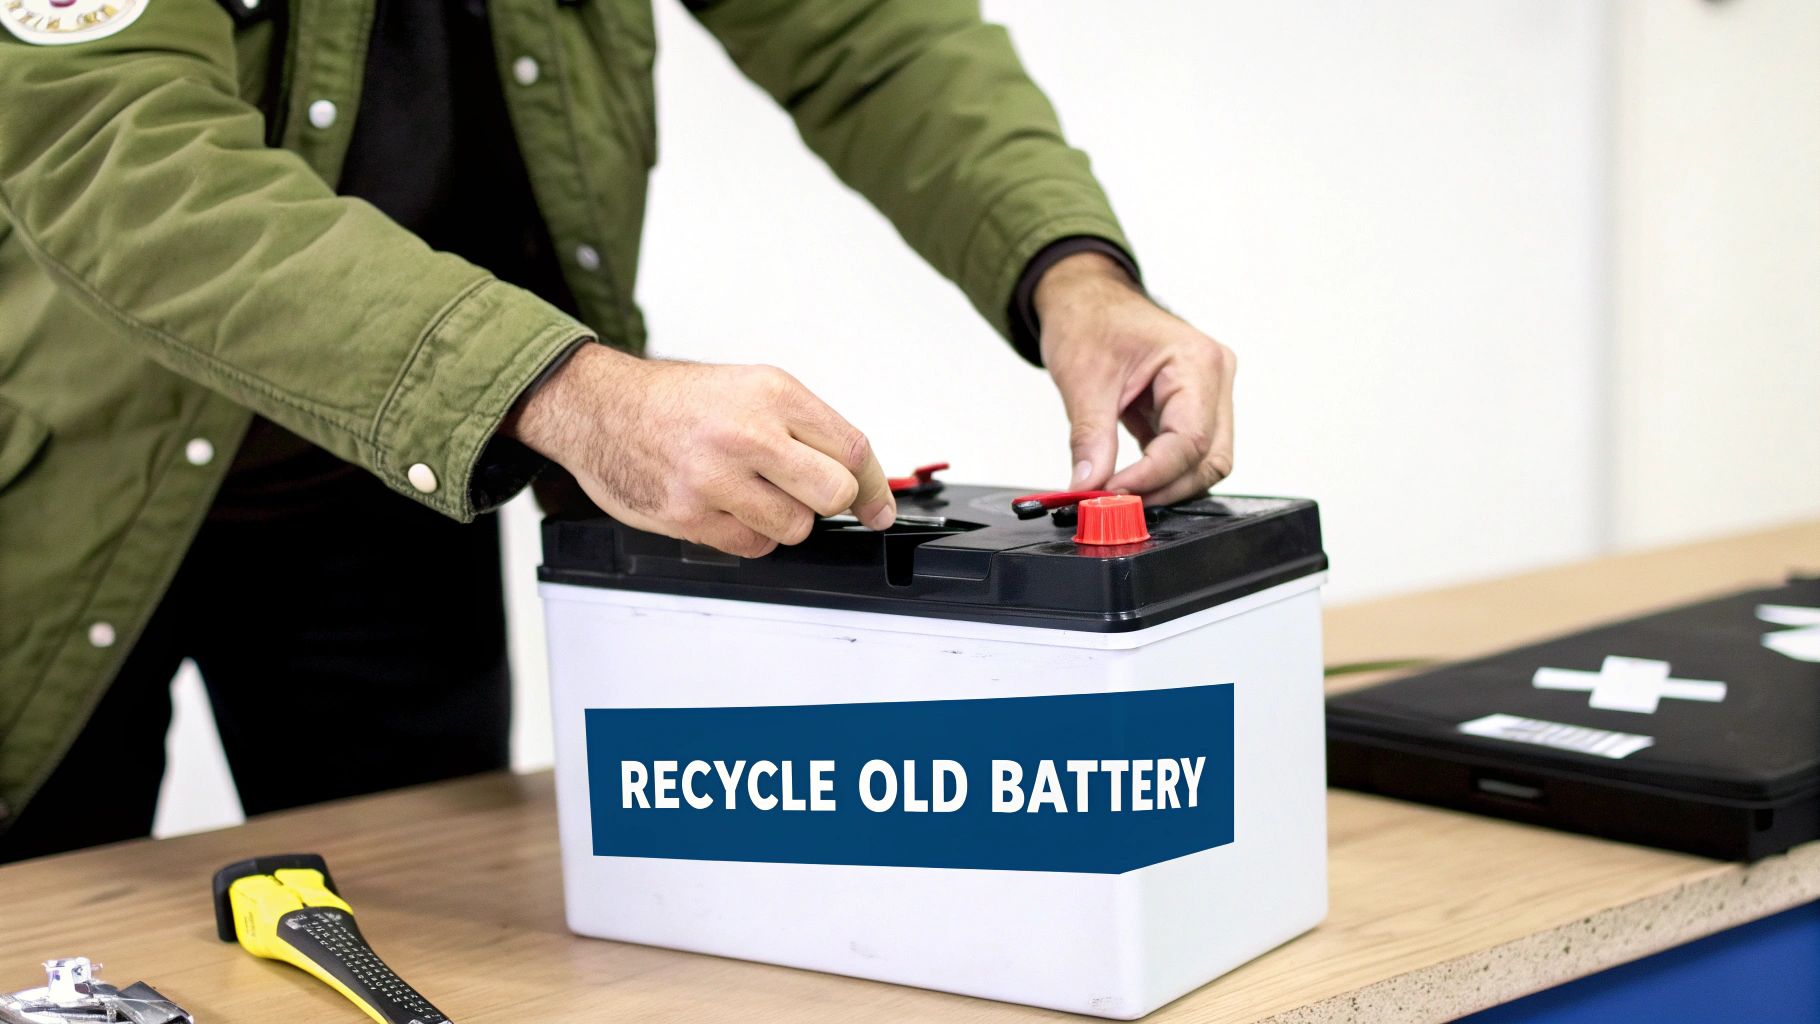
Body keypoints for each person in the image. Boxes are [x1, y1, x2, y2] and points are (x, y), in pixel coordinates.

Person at [0, 0, 1235, 861]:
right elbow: (121, 147)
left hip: (399, 487)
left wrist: (1070, 269)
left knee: (430, 948)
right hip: (51, 510)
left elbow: (870, 33)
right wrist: (577, 395)